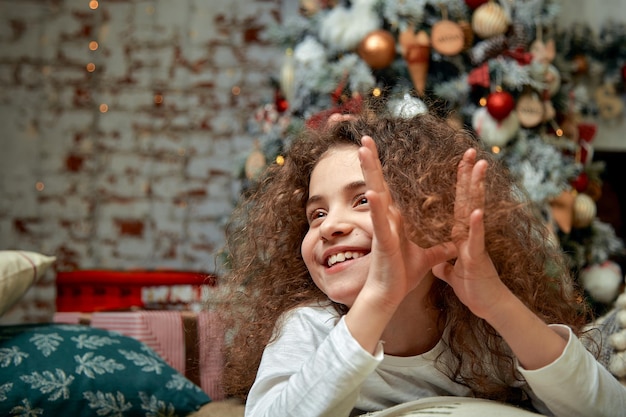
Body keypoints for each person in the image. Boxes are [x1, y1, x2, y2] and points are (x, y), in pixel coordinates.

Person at [220, 107, 626, 417]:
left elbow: (608, 409)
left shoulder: (485, 330)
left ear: (430, 215)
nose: (329, 227)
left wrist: (497, 302)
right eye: (317, 214)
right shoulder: (307, 329)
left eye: (363, 200)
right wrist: (378, 298)